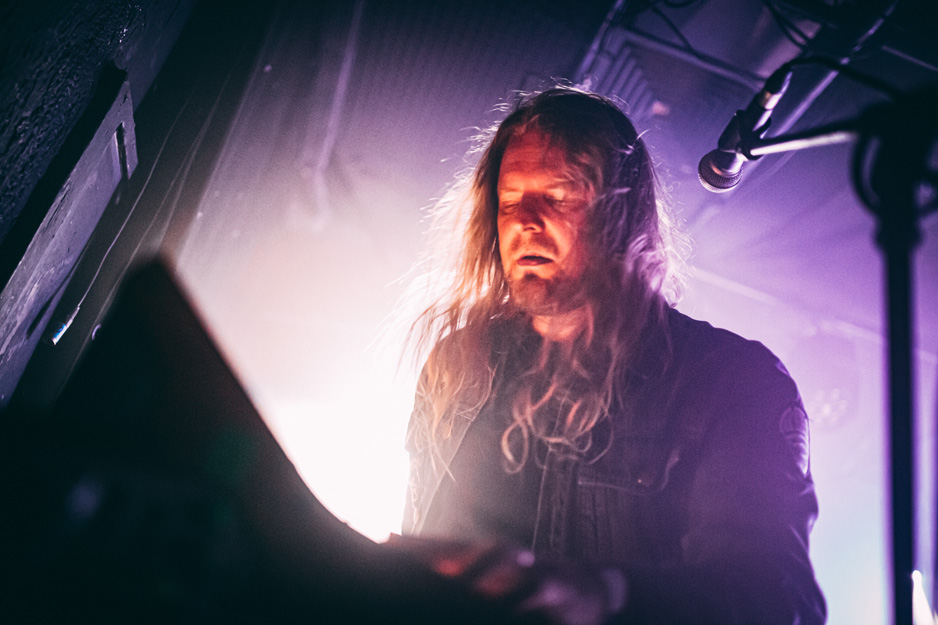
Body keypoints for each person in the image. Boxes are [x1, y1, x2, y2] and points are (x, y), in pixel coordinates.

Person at [398, 86, 826, 625]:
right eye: (509, 203)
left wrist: (603, 594)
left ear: (622, 214)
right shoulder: (459, 363)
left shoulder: (732, 380)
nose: (524, 221)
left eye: (558, 198)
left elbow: (776, 602)